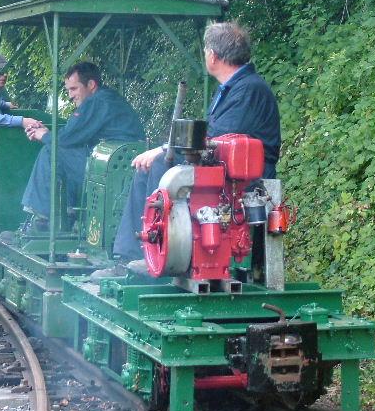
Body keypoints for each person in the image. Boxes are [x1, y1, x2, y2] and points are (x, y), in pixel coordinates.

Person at [111, 21, 281, 263]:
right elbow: (213, 138)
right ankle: (136, 253)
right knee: (150, 166)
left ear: (213, 55)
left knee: (161, 164)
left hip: (243, 177)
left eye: (205, 51)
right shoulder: (234, 88)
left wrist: (164, 149)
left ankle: (159, 253)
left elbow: (219, 139)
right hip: (224, 167)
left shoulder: (249, 90)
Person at [21, 61, 145, 223]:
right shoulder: (106, 98)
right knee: (59, 148)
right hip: (119, 165)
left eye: (74, 89)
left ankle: (44, 217)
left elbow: (66, 139)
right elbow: (73, 135)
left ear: (91, 84)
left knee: (53, 150)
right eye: (68, 90)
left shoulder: (98, 101)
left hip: (115, 169)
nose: (70, 95)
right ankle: (66, 210)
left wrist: (44, 135)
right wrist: (47, 135)